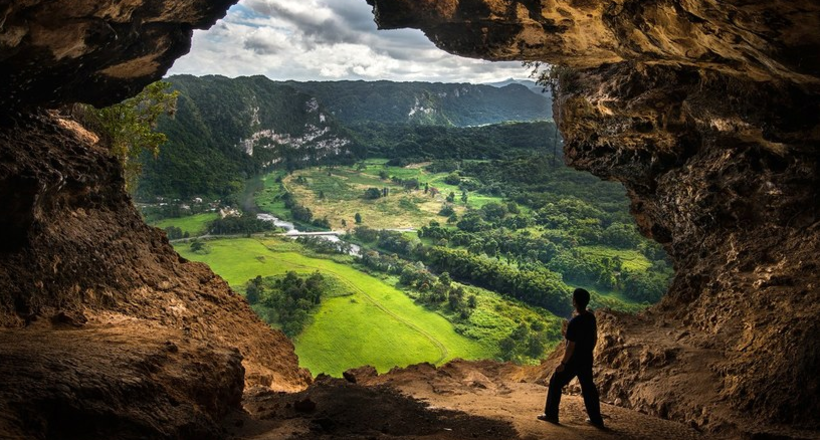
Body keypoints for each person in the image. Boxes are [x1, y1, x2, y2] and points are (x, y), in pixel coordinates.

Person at [537, 288, 605, 428]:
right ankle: (596, 420)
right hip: (587, 358)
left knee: (556, 381)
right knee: (588, 387)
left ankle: (551, 415)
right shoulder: (590, 317)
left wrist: (563, 363)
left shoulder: (574, 322)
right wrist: (589, 351)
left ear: (574, 301)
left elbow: (570, 347)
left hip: (574, 360)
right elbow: (594, 337)